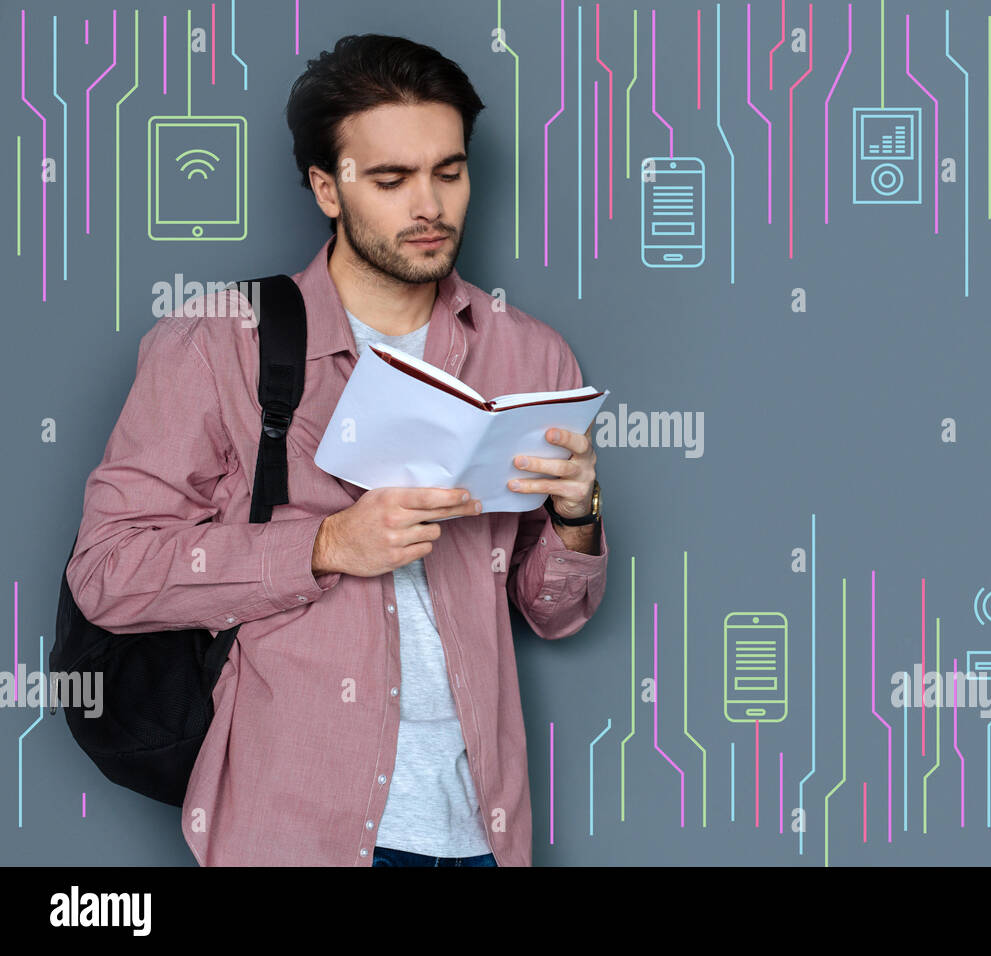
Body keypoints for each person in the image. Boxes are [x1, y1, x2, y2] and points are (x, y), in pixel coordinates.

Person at [66, 34, 608, 867]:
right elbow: (107, 574)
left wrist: (577, 517)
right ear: (327, 187)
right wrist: (324, 545)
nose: (429, 204)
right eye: (390, 180)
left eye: (449, 171)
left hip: (482, 833)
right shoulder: (217, 344)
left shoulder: (533, 357)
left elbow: (554, 612)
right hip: (295, 830)